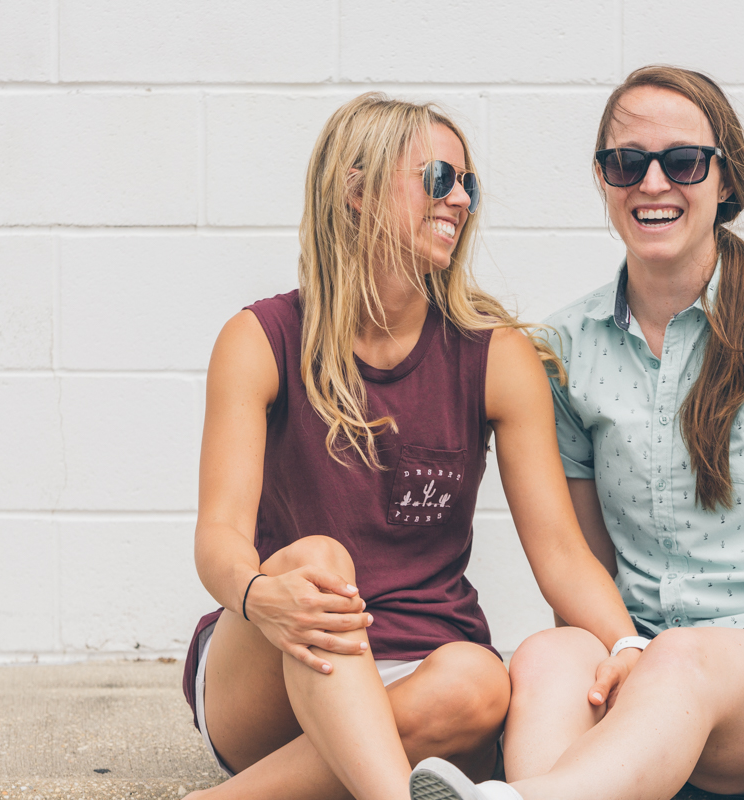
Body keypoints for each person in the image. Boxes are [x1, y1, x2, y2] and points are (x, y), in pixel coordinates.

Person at [409, 66, 744, 800]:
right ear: (604, 179)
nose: (652, 182)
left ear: (723, 175)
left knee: (684, 659)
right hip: (641, 655)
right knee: (548, 654)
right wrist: (611, 653)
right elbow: (585, 564)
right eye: (626, 162)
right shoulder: (567, 348)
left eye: (681, 161)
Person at [182, 92, 640, 800]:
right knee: (319, 567)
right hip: (277, 657)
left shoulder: (496, 358)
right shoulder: (260, 340)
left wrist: (627, 647)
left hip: (425, 676)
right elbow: (218, 539)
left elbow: (560, 553)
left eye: (468, 184)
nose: (459, 199)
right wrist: (258, 595)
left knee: (483, 681)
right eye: (438, 179)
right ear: (356, 190)